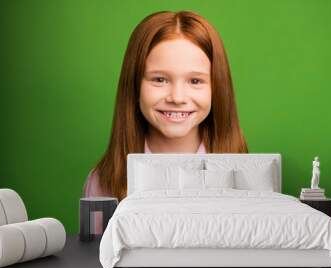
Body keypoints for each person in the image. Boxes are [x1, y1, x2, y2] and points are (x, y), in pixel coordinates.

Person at [83, 10, 248, 234]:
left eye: (195, 80)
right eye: (159, 79)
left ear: (216, 89)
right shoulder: (103, 182)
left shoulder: (244, 174)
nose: (177, 97)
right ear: (135, 87)